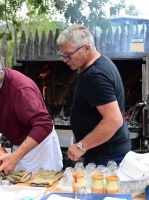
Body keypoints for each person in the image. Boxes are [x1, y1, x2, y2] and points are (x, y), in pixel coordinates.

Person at [0, 56, 63, 175]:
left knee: (41, 189)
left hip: (40, 149)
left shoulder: (20, 89)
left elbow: (44, 124)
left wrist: (16, 156)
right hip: (19, 147)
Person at [56, 24, 131, 167]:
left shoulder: (95, 75)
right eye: (63, 55)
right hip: (106, 154)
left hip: (107, 158)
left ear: (87, 48)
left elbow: (114, 120)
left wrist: (81, 146)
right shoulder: (101, 63)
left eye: (68, 55)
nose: (64, 59)